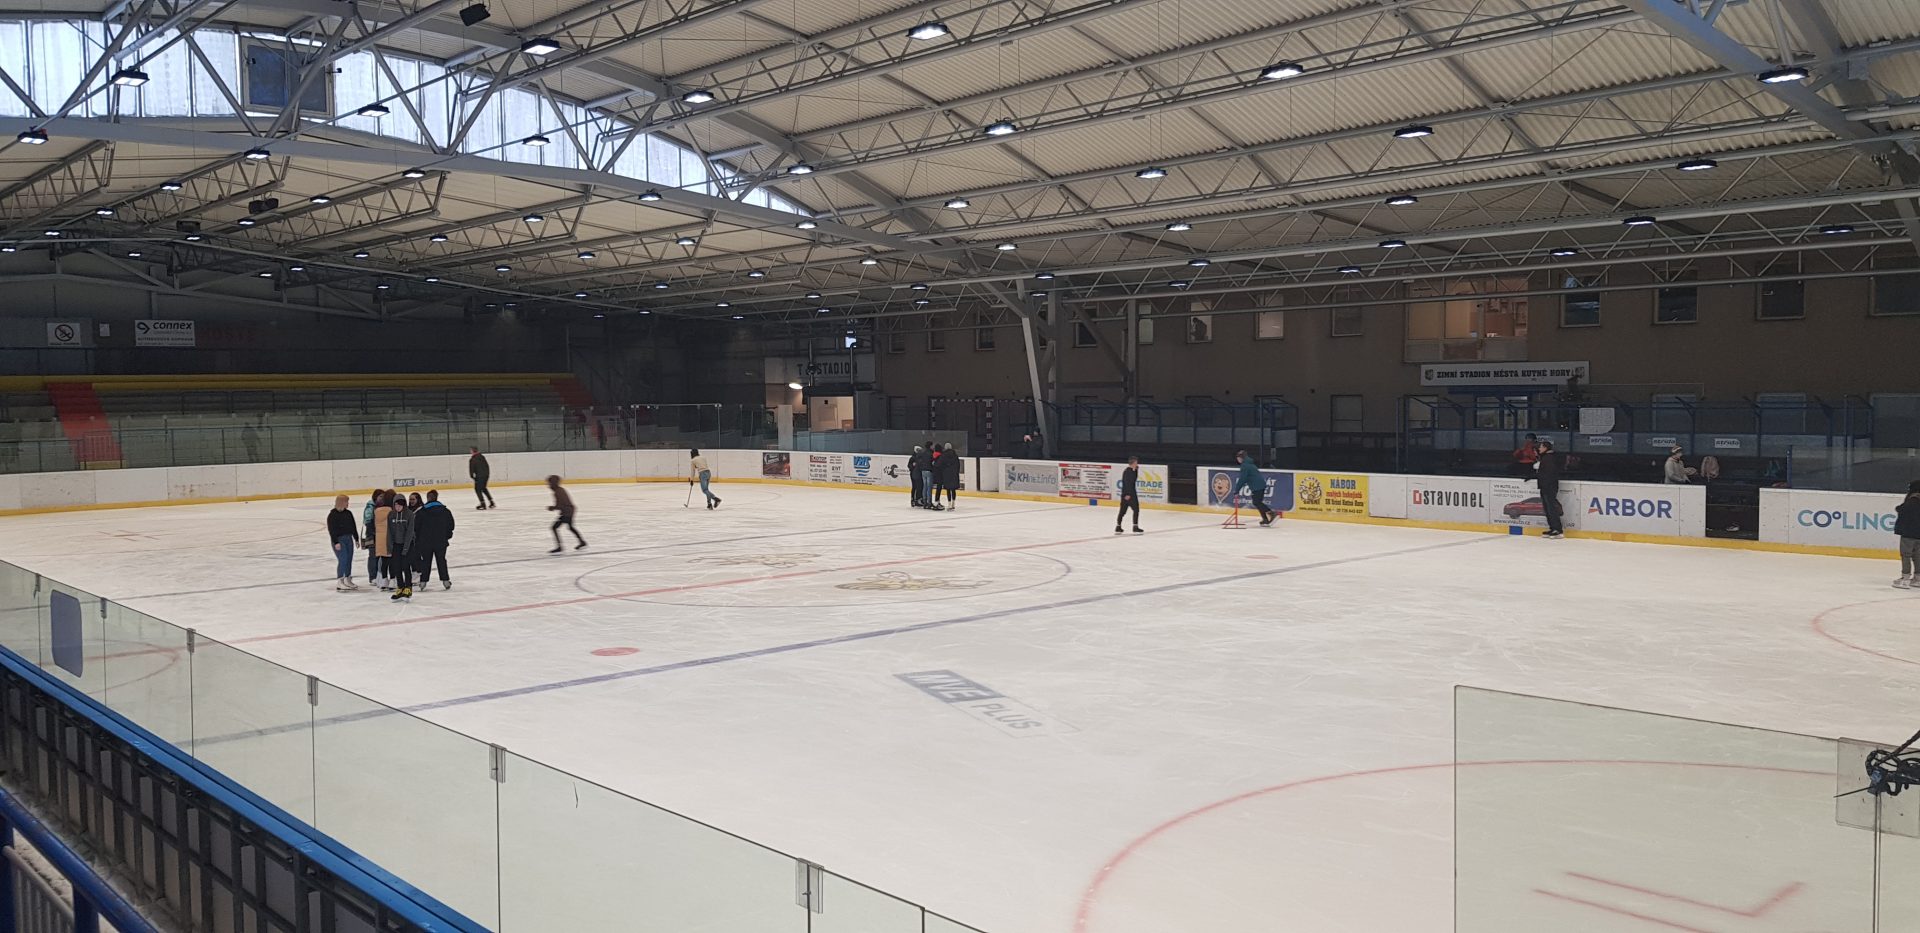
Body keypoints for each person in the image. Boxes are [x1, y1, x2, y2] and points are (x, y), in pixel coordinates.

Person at [413, 490, 455, 590]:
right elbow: (451, 525)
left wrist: (419, 539)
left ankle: (423, 582)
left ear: (428, 498)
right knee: (441, 560)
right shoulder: (445, 511)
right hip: (440, 541)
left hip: (425, 542)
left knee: (426, 561)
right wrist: (446, 536)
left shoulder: (422, 512)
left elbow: (416, 527)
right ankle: (445, 580)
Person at [1230, 450, 1275, 526]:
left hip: (1257, 486)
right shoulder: (1249, 464)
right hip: (1259, 485)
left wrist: (1237, 490)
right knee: (1258, 502)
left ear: (1242, 458)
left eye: (1239, 457)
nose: (1238, 459)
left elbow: (1242, 479)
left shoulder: (1245, 466)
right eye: (1237, 457)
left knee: (1256, 502)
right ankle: (1265, 519)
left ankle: (1271, 513)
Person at [1534, 439, 1565, 539]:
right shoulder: (1545, 458)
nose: (1539, 449)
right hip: (1546, 486)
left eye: (1541, 447)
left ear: (1545, 448)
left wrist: (1545, 484)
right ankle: (1553, 528)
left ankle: (1558, 529)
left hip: (1549, 487)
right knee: (1548, 508)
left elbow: (1549, 474)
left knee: (1551, 508)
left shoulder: (1549, 458)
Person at [547, 475, 587, 553]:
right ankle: (582, 542)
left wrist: (552, 508)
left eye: (550, 483)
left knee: (554, 527)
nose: (549, 485)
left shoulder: (558, 492)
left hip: (567, 512)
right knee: (570, 527)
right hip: (569, 511)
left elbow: (560, 505)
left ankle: (559, 547)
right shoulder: (560, 490)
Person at [327, 495, 359, 591]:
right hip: (339, 540)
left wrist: (356, 539)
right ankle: (340, 580)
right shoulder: (332, 515)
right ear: (341, 502)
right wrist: (336, 542)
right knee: (343, 559)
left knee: (349, 559)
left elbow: (353, 526)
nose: (348, 503)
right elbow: (332, 530)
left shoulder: (348, 513)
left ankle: (348, 579)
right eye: (346, 502)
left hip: (349, 538)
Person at [387, 497, 416, 601]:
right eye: (395, 505)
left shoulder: (409, 514)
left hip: (407, 545)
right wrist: (390, 547)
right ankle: (400, 587)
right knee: (396, 567)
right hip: (396, 545)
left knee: (405, 566)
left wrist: (406, 548)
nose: (397, 507)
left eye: (399, 505)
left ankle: (408, 587)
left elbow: (410, 532)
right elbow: (389, 532)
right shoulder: (391, 515)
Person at [1895, 481, 1920, 588]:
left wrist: (1898, 508)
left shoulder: (1911, 501)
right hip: (1918, 534)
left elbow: (1902, 510)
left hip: (1908, 533)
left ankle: (1905, 578)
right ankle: (1918, 578)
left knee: (1906, 555)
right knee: (1918, 555)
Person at [370, 491, 394, 590]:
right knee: (392, 560)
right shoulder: (392, 511)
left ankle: (384, 580)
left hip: (380, 539)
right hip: (390, 538)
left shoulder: (377, 511)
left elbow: (373, 524)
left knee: (384, 560)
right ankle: (392, 580)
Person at [1115, 456, 1143, 534]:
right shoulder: (1128, 472)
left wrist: (1136, 470)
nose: (1137, 464)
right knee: (1135, 510)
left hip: (1126, 494)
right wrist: (1128, 494)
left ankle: (1118, 526)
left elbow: (1134, 479)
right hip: (1130, 494)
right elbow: (1128, 483)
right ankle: (1135, 527)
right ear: (1133, 463)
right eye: (1136, 462)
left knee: (1122, 511)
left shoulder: (1130, 471)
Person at [362, 489, 384, 585]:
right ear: (376, 497)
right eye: (380, 496)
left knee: (380, 555)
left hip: (379, 534)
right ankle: (372, 576)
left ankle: (379, 575)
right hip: (371, 535)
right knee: (373, 555)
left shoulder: (381, 506)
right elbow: (367, 520)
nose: (382, 498)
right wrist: (374, 530)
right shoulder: (370, 506)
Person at [938, 442, 961, 509]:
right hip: (954, 473)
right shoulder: (955, 455)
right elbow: (958, 465)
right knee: (953, 489)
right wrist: (956, 471)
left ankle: (949, 504)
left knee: (948, 489)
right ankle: (953, 503)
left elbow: (940, 464)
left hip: (946, 474)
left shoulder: (943, 455)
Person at [924, 445, 944, 511]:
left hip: (934, 473)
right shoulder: (941, 456)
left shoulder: (932, 455)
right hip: (939, 474)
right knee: (938, 488)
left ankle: (929, 502)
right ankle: (936, 502)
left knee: (928, 487)